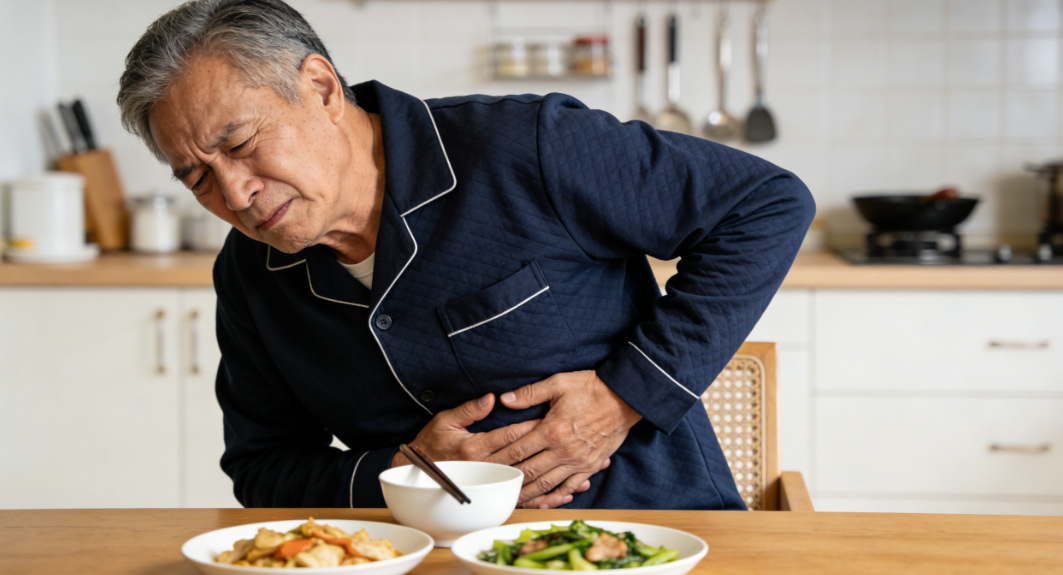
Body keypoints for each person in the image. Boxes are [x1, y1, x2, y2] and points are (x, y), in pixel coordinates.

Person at [118, 0, 814, 510]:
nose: (234, 193)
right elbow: (263, 468)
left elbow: (764, 204)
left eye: (239, 145)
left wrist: (623, 397)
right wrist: (400, 466)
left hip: (654, 539)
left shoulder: (525, 145)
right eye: (199, 176)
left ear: (322, 89)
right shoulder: (249, 275)